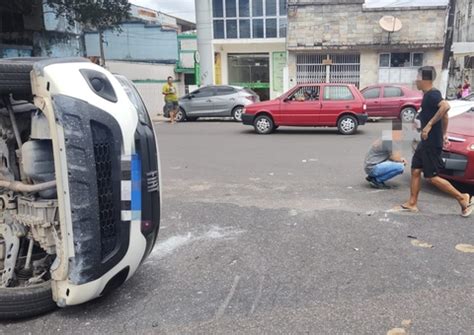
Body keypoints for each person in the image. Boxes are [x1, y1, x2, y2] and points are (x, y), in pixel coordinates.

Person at [397, 66, 473, 217]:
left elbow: (446, 106)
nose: (415, 80)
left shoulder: (433, 94)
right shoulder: (428, 96)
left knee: (432, 177)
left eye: (417, 77)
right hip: (426, 142)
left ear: (424, 79)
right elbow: (445, 114)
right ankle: (412, 203)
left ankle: (462, 197)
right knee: (416, 170)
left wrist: (430, 125)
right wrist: (444, 134)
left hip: (431, 143)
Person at [364, 121, 407, 189]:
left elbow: (391, 156)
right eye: (403, 134)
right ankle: (377, 180)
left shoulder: (387, 137)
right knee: (400, 167)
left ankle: (373, 176)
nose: (403, 137)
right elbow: (395, 157)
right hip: (372, 167)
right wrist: (402, 160)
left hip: (370, 166)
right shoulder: (390, 141)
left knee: (397, 162)